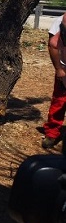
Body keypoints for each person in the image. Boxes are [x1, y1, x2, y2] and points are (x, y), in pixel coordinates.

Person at [42, 13, 66, 149]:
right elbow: (53, 46)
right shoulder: (59, 22)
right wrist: (59, 69)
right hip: (64, 67)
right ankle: (52, 132)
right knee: (60, 101)